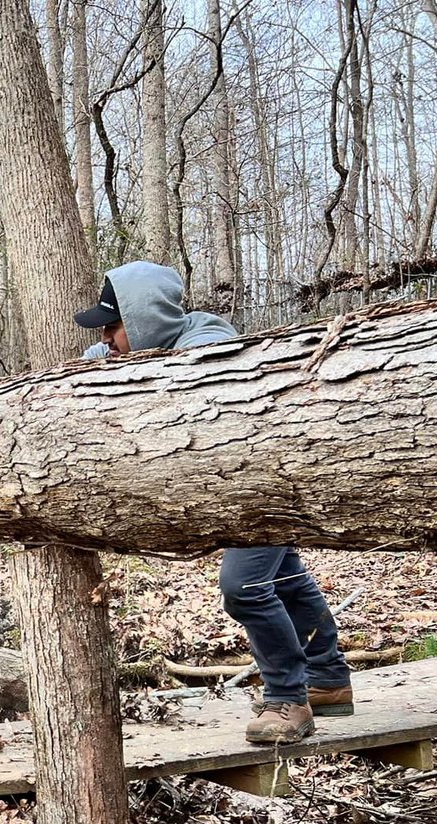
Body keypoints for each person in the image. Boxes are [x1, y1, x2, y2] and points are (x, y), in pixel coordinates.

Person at [74, 262, 354, 746]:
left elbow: (171, 405)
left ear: (142, 322)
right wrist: (102, 357)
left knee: (243, 587)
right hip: (242, 486)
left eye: (113, 326)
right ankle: (328, 679)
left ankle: (290, 698)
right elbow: (95, 358)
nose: (106, 336)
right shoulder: (157, 343)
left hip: (263, 483)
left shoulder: (209, 349)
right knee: (286, 577)